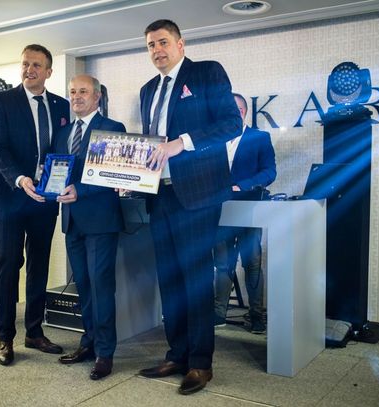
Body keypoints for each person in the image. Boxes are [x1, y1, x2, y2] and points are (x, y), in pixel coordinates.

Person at [137, 19, 242, 395]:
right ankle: (177, 354)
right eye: (151, 45)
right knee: (169, 280)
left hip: (197, 194)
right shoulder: (148, 90)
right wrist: (131, 174)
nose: (157, 50)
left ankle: (200, 363)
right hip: (159, 195)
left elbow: (231, 124)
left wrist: (181, 142)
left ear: (180, 44)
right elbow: (152, 144)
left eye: (163, 42)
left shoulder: (207, 73)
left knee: (195, 279)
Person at [0, 44, 70, 366]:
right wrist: (20, 178)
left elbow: (64, 149)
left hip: (44, 199)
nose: (29, 70)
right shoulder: (2, 100)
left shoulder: (61, 105)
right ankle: (5, 337)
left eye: (36, 65)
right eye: (25, 64)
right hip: (11, 195)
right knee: (8, 265)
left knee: (39, 265)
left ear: (48, 71)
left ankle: (34, 331)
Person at [54, 74, 126, 380]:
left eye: (83, 91)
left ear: (97, 97)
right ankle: (89, 343)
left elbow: (112, 175)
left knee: (101, 288)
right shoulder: (63, 132)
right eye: (72, 92)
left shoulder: (113, 128)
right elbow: (59, 170)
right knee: (83, 287)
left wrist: (80, 191)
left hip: (100, 221)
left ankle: (105, 353)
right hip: (71, 220)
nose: (76, 97)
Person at [213, 93, 276, 333]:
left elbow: (269, 172)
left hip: (249, 209)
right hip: (220, 210)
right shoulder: (215, 140)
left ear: (241, 112)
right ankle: (218, 314)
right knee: (222, 263)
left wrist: (243, 186)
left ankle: (257, 316)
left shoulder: (259, 138)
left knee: (252, 263)